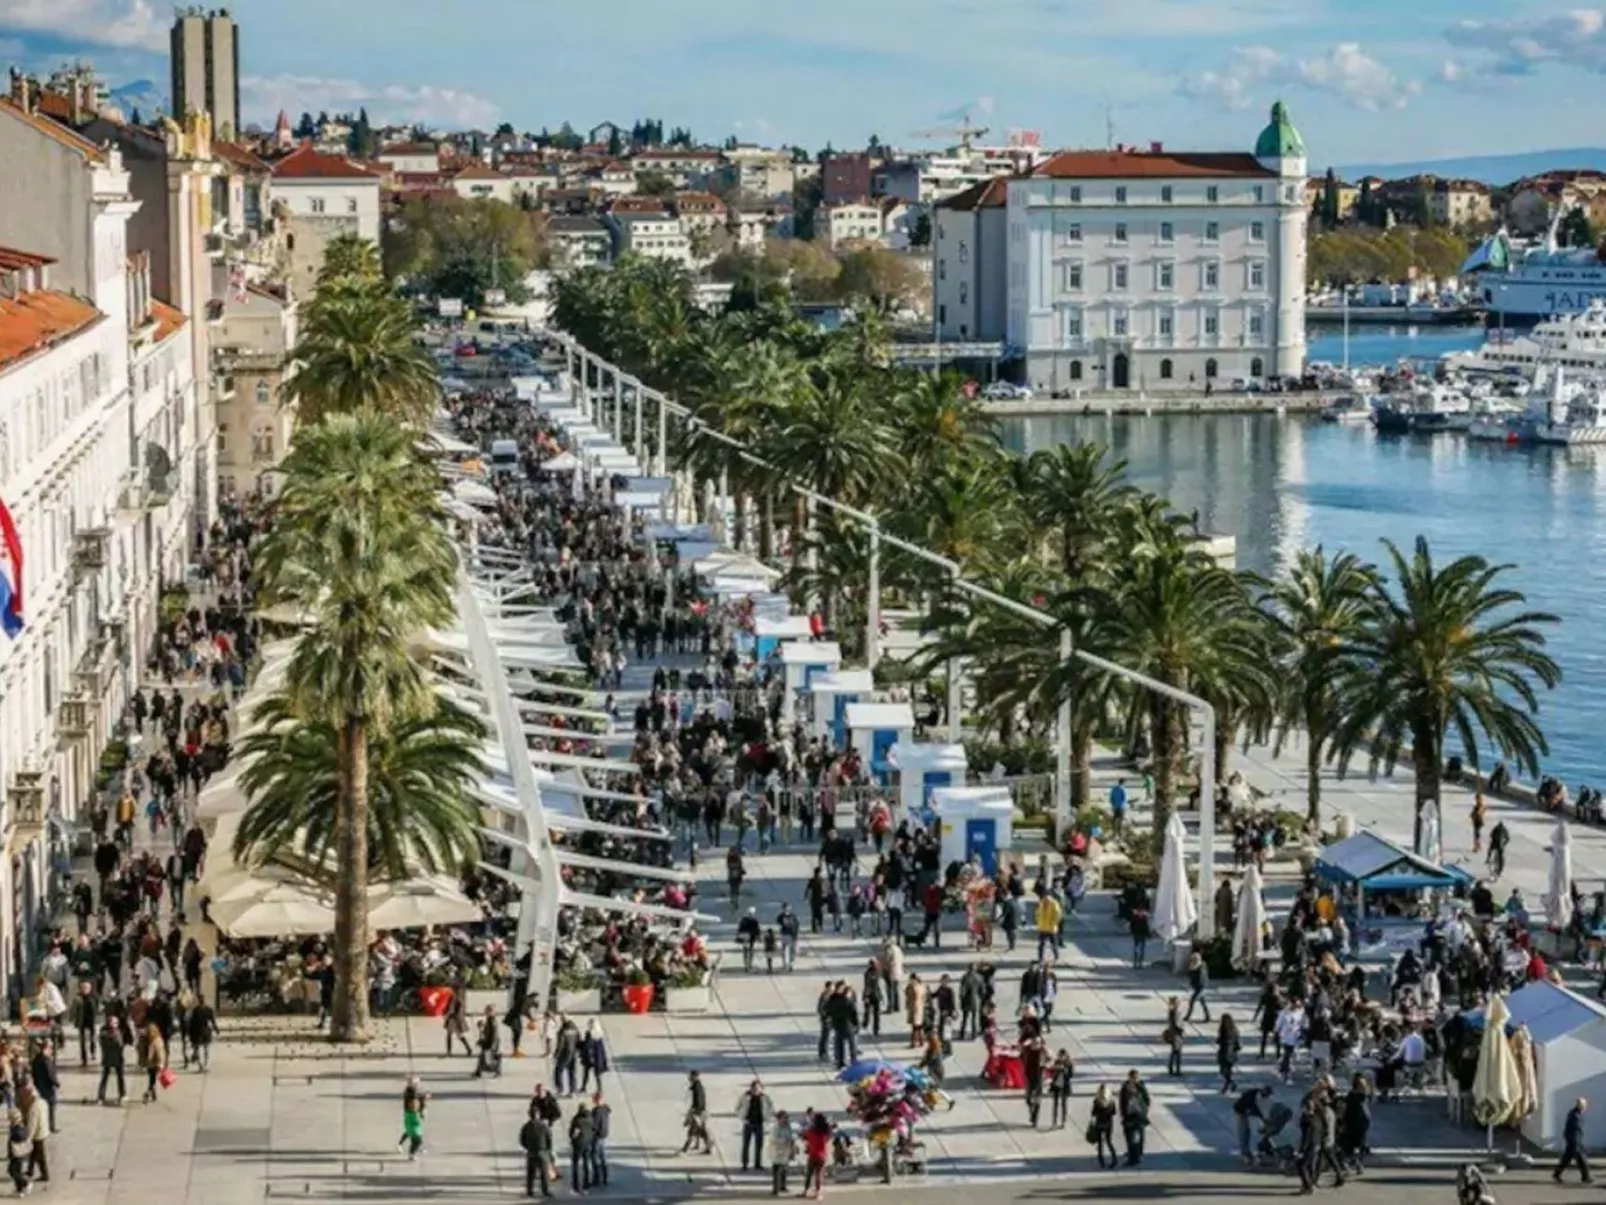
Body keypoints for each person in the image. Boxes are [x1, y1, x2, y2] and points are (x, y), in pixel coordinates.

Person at [737, 1079, 773, 1171]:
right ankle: (745, 1163)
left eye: (757, 1088)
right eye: (754, 1088)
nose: (755, 1090)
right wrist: (742, 1118)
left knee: (759, 1145)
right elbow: (737, 1107)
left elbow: (771, 1108)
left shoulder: (765, 1098)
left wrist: (767, 1119)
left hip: (759, 1124)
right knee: (746, 1145)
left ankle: (758, 1163)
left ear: (761, 1089)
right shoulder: (745, 1097)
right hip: (748, 1123)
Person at [1555, 1096, 1592, 1183]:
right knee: (1582, 1160)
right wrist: (1575, 1142)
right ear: (1580, 1105)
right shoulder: (1575, 1115)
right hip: (1574, 1141)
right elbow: (1574, 1130)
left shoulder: (1576, 1114)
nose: (1585, 1107)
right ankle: (1586, 1177)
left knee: (1566, 1159)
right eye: (1584, 1105)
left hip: (1574, 1140)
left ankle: (1557, 1174)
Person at [520, 1105, 555, 1197]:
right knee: (544, 1173)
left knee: (531, 1173)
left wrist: (528, 1147)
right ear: (538, 1114)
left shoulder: (526, 1127)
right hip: (542, 1151)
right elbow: (549, 1139)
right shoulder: (544, 1126)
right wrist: (548, 1150)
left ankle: (530, 1190)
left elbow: (522, 1140)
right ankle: (545, 1190)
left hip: (531, 1152)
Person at [1233, 1085, 1273, 1164]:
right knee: (1243, 1132)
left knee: (1248, 1132)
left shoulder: (1261, 1098)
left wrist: (1265, 1121)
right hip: (1240, 1111)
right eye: (1267, 1095)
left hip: (1247, 1110)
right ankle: (1245, 1153)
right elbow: (1252, 1110)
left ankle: (1249, 1153)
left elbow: (1262, 1111)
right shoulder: (1252, 1097)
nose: (1267, 1097)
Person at [1118, 1069, 1150, 1166]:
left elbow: (1147, 1099)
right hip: (1129, 1116)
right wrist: (1123, 1113)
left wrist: (1144, 1111)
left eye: (1136, 1078)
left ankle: (1137, 1154)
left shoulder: (1141, 1086)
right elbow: (1122, 1101)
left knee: (1138, 1136)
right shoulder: (1125, 1087)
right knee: (1131, 1137)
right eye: (1132, 1078)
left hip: (1138, 1116)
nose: (1134, 1080)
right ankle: (1133, 1153)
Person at [97, 1014, 127, 1105]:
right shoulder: (106, 1034)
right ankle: (101, 1096)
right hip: (110, 1058)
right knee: (106, 1077)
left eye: (116, 1023)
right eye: (113, 1023)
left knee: (120, 1077)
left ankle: (122, 1094)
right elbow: (118, 1044)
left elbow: (121, 1044)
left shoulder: (117, 1032)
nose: (115, 1025)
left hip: (116, 1058)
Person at [802, 1112, 831, 1200]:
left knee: (809, 1174)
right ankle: (818, 1193)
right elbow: (827, 1140)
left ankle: (805, 1191)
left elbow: (804, 1136)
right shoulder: (824, 1132)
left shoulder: (811, 1131)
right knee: (818, 1174)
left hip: (812, 1155)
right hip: (822, 1155)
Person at [681, 1070, 712, 1154]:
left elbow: (699, 1101)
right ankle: (708, 1146)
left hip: (698, 1112)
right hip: (701, 1111)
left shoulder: (697, 1088)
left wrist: (694, 1112)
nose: (689, 1078)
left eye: (691, 1076)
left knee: (693, 1130)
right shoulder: (696, 1086)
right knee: (701, 1130)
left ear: (695, 1076)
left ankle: (685, 1148)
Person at [1088, 1083, 1119, 1169]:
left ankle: (1101, 1161)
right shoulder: (1111, 1102)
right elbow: (1114, 1113)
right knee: (1109, 1142)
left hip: (1099, 1123)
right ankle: (1114, 1159)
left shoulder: (1097, 1101)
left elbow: (1093, 1113)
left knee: (1100, 1143)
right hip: (1108, 1123)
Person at [568, 1102, 595, 1194]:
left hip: (578, 1144)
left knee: (575, 1164)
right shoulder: (591, 1118)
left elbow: (572, 1133)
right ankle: (586, 1185)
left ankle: (575, 1186)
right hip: (588, 1143)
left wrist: (572, 1138)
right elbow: (593, 1129)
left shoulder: (577, 1119)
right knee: (586, 1164)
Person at [399, 1076, 427, 1160]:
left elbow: (419, 1099)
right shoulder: (410, 1093)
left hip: (412, 1116)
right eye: (416, 1083)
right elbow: (417, 1098)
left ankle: (413, 1151)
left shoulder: (411, 1093)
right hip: (412, 1117)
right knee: (417, 1139)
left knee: (417, 1138)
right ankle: (411, 1154)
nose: (417, 1085)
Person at [770, 1109, 797, 1196]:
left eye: (787, 1117)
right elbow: (773, 1139)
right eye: (784, 1117)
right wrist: (784, 1141)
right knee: (776, 1170)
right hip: (777, 1151)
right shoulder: (775, 1127)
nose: (786, 1119)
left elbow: (791, 1136)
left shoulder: (788, 1126)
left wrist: (793, 1144)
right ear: (779, 1118)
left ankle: (783, 1186)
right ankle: (775, 1188)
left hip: (785, 1151)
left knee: (784, 1170)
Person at [589, 1092, 611, 1188]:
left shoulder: (596, 1111)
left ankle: (596, 1179)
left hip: (597, 1137)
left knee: (595, 1158)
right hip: (604, 1136)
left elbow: (594, 1125)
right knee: (603, 1158)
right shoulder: (606, 1109)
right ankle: (605, 1177)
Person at [1048, 1049, 1074, 1129]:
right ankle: (1054, 1121)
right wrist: (1055, 1069)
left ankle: (1063, 1121)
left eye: (1062, 1056)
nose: (1060, 1057)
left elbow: (1071, 1075)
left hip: (1064, 1086)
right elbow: (1052, 1074)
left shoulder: (1069, 1064)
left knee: (1063, 1104)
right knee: (1055, 1104)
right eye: (1059, 1055)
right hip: (1056, 1085)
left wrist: (1064, 1070)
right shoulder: (1057, 1062)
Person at [1183, 949, 1211, 1022]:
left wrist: (1191, 985)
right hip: (1198, 987)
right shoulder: (1195, 967)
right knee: (1203, 1003)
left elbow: (1200, 979)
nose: (1191, 961)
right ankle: (1208, 1017)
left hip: (1201, 988)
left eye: (1193, 960)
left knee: (1192, 1001)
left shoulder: (1200, 968)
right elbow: (1190, 976)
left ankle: (1187, 1017)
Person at [5, 1109, 28, 1197]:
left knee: (15, 1172)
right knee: (12, 1171)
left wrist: (15, 1135)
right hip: (14, 1154)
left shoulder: (19, 1128)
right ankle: (20, 1187)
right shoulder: (14, 1127)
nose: (10, 1120)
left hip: (18, 1154)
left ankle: (23, 1185)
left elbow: (21, 1136)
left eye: (11, 1119)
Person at [444, 986, 471, 1057]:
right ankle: (449, 1051)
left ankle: (468, 1049)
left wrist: (452, 1016)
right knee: (452, 1035)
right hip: (453, 1019)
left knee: (457, 1035)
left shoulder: (458, 1000)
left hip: (455, 1019)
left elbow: (458, 1011)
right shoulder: (454, 998)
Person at [1216, 1014, 1241, 1094]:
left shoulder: (1224, 1031)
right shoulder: (1234, 1031)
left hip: (1224, 1054)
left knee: (1223, 1071)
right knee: (1228, 1072)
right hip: (1232, 1055)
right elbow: (1238, 1045)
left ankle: (1230, 1084)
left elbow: (1221, 1041)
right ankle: (1226, 1087)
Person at [1163, 997, 1184, 1077]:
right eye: (1177, 1002)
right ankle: (1177, 1070)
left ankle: (1171, 1069)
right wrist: (1181, 1031)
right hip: (1176, 1035)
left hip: (1174, 1034)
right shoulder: (1175, 1012)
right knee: (1177, 1053)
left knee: (1174, 1052)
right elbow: (1175, 1024)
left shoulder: (1172, 1012)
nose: (1178, 1003)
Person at [737, 907, 761, 972]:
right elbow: (757, 930)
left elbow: (740, 929)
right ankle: (748, 965)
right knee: (748, 951)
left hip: (748, 938)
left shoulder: (746, 920)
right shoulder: (751, 920)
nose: (750, 914)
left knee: (748, 951)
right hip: (748, 938)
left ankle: (748, 965)